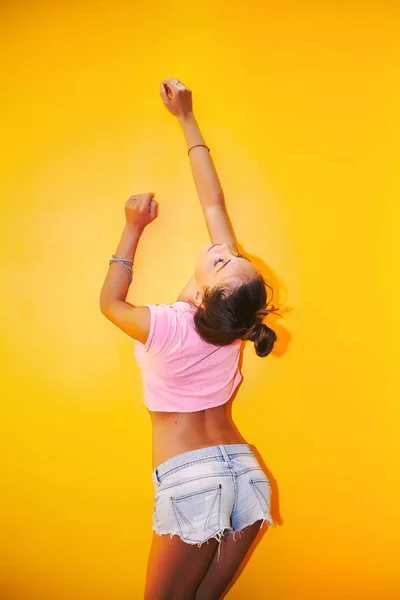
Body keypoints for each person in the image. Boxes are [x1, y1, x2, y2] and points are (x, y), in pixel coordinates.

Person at [99, 78, 279, 600]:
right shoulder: (231, 325)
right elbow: (215, 205)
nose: (222, 249)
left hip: (194, 479)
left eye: (225, 259)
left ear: (206, 294)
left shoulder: (170, 325)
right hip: (245, 473)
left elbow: (111, 305)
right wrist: (186, 120)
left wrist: (132, 228)